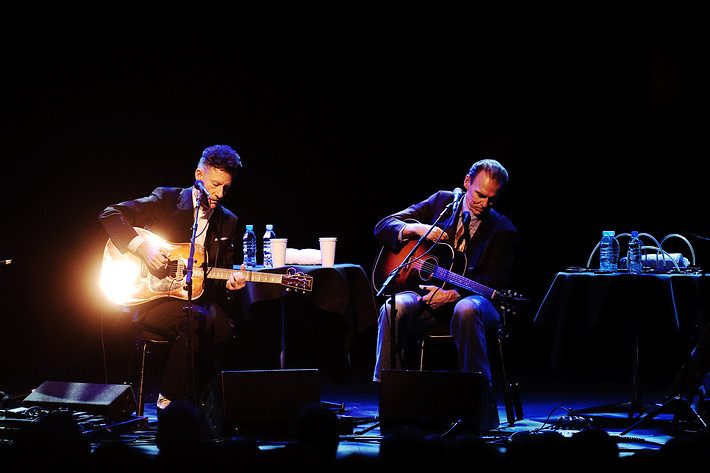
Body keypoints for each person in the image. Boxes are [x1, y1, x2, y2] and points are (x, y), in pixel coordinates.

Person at [99, 144, 246, 412]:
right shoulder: (166, 200)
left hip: (196, 298)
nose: (219, 194)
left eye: (226, 187)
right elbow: (110, 214)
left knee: (225, 328)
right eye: (214, 184)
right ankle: (170, 403)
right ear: (198, 176)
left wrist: (231, 286)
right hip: (150, 298)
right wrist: (144, 249)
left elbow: (221, 275)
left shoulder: (228, 222)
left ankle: (201, 400)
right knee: (195, 320)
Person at [373, 159, 518, 427]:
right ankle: (392, 400)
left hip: (477, 303)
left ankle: (478, 407)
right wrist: (418, 229)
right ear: (466, 183)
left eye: (492, 199)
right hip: (426, 297)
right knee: (391, 307)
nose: (484, 204)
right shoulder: (441, 203)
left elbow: (493, 280)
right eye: (480, 195)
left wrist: (452, 295)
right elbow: (383, 226)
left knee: (467, 308)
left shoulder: (502, 229)